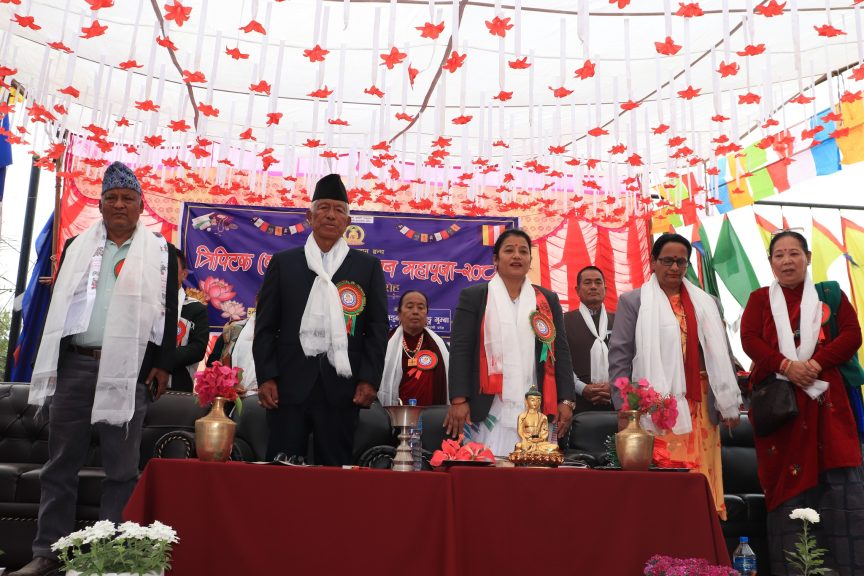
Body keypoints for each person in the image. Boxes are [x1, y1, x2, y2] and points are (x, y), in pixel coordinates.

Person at [12, 162, 178, 576]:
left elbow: (169, 311)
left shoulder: (161, 253)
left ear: (141, 206)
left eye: (128, 198)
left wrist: (162, 365)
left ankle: (111, 558)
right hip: (75, 366)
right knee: (60, 464)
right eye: (111, 198)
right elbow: (57, 309)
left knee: (121, 469)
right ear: (100, 204)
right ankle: (47, 553)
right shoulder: (76, 246)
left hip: (128, 370)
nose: (119, 205)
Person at [741, 230, 864, 575]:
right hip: (783, 410)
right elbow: (749, 339)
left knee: (839, 484)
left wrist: (815, 364)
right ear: (770, 263)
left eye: (794, 253)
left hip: (828, 403)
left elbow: (852, 335)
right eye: (779, 255)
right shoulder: (759, 300)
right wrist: (786, 366)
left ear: (808, 258)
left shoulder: (831, 295)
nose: (787, 261)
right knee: (787, 488)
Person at [253, 173, 388, 466]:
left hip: (342, 389)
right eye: (324, 207)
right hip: (288, 387)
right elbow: (265, 327)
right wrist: (266, 376)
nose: (330, 215)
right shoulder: (284, 263)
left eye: (339, 210)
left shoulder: (367, 267)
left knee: (334, 474)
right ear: (309, 216)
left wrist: (369, 379)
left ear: (347, 222)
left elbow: (377, 329)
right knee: (281, 473)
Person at [608, 233, 741, 519]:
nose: (674, 267)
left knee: (702, 478)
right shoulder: (634, 301)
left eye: (681, 262)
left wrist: (729, 401)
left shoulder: (708, 302)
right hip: (656, 404)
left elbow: (724, 353)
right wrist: (624, 407)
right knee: (667, 476)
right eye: (667, 261)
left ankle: (702, 530)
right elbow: (619, 356)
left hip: (702, 403)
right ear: (653, 262)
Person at [445, 228, 576, 457]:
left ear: (530, 261)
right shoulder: (475, 297)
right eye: (509, 250)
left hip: (535, 406)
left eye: (523, 251)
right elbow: (460, 351)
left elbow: (561, 352)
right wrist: (458, 400)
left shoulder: (547, 300)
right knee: (487, 469)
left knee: (532, 472)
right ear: (495, 259)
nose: (517, 256)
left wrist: (566, 400)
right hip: (488, 405)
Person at [378, 290, 449, 406]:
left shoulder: (439, 347)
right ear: (399, 313)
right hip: (393, 411)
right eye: (409, 307)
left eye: (421, 307)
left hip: (432, 413)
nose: (415, 312)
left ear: (426, 314)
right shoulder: (384, 344)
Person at [563, 265, 615, 412]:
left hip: (615, 403)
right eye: (587, 282)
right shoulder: (563, 321)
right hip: (576, 403)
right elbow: (559, 363)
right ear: (577, 290)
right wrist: (581, 388)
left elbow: (627, 360)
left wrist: (614, 386)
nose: (593, 286)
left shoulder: (619, 321)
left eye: (598, 282)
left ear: (605, 288)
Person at [170, 250, 209, 392]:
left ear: (184, 274)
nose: (165, 273)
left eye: (171, 268)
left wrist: (162, 358)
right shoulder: (143, 305)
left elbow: (198, 349)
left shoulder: (195, 308)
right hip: (142, 383)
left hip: (178, 385)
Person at [514, 386, 561, 454]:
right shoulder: (522, 416)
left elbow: (545, 433)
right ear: (526, 401)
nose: (535, 402)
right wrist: (525, 439)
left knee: (555, 447)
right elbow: (520, 431)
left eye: (538, 400)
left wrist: (540, 439)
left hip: (539, 443)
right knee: (518, 445)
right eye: (532, 400)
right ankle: (535, 452)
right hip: (528, 442)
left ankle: (533, 451)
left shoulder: (543, 417)